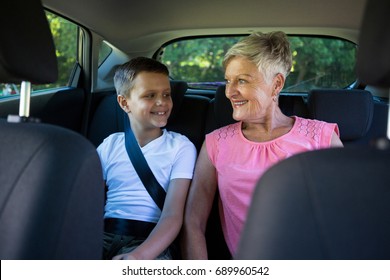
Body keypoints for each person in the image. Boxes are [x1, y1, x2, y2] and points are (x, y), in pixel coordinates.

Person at [181, 31, 343, 259]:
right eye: (228, 80)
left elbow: (346, 216)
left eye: (242, 80)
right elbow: (193, 222)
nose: (229, 92)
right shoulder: (216, 143)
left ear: (276, 84)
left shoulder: (321, 138)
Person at [97, 57, 197, 260]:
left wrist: (139, 256)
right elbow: (88, 201)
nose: (162, 102)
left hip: (151, 241)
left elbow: (172, 215)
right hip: (102, 235)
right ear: (124, 102)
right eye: (150, 95)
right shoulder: (109, 145)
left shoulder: (180, 147)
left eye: (166, 94)